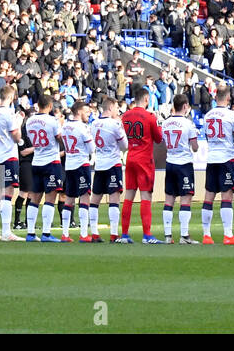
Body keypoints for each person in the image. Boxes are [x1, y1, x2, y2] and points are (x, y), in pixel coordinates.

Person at [200, 85, 234, 245]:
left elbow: (206, 136)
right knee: (226, 196)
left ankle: (206, 235)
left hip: (212, 158)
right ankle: (228, 235)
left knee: (209, 195)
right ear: (228, 98)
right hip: (227, 158)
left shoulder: (207, 115)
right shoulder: (232, 116)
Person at [118, 86, 163, 244]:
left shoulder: (125, 116)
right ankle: (147, 234)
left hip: (130, 157)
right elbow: (158, 138)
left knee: (129, 196)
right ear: (146, 99)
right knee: (146, 196)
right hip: (144, 159)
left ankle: (124, 234)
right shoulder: (149, 116)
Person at [23, 94, 64, 242]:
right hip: (51, 162)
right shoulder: (53, 120)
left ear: (37, 105)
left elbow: (30, 138)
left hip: (36, 161)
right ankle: (46, 233)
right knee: (50, 198)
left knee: (34, 198)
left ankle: (30, 232)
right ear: (50, 106)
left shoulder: (29, 121)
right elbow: (59, 137)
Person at [0, 83, 23, 241]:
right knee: (8, 192)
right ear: (11, 97)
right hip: (9, 155)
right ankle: (7, 231)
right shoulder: (9, 114)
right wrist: (19, 122)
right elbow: (16, 137)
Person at [161, 94, 199, 244]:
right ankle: (184, 235)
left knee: (169, 199)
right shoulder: (188, 123)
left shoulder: (165, 123)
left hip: (170, 162)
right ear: (185, 106)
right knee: (185, 198)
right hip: (184, 164)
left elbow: (164, 144)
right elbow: (195, 147)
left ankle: (168, 235)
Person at [89, 96, 128, 243]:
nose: (117, 110)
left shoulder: (94, 124)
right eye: (116, 107)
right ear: (110, 108)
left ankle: (94, 233)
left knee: (95, 198)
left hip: (99, 164)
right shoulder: (115, 124)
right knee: (114, 198)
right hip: (113, 163)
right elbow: (125, 146)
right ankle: (113, 234)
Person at [58, 100, 95, 242]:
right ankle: (84, 233)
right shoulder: (83, 127)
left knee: (69, 199)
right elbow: (91, 148)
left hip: (69, 165)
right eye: (86, 112)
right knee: (84, 197)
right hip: (81, 164)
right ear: (79, 112)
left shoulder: (66, 126)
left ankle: (65, 234)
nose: (88, 114)